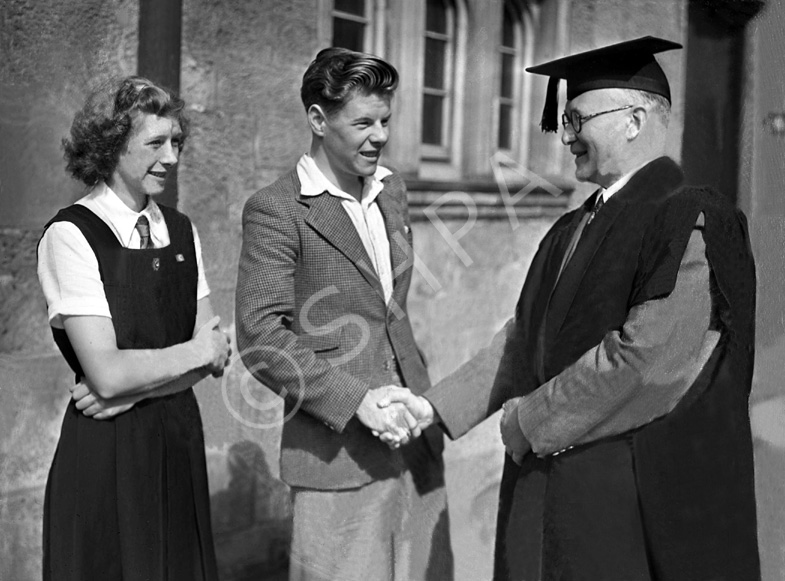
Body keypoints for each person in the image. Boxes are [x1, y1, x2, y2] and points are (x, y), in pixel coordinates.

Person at [381, 36, 760, 580]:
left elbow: (647, 362)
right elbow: (522, 341)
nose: (565, 136)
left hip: (622, 502)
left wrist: (529, 419)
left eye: (577, 119)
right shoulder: (570, 227)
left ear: (633, 119)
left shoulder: (692, 220)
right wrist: (433, 409)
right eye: (563, 119)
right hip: (540, 491)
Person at [235, 47, 453, 581]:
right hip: (337, 455)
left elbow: (387, 314)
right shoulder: (277, 209)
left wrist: (411, 403)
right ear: (317, 119)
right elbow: (261, 335)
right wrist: (358, 402)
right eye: (362, 123)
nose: (378, 135)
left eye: (385, 121)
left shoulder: (391, 190)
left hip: (413, 443)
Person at [37, 76, 232, 581]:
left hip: (178, 441)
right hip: (109, 449)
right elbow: (106, 374)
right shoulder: (72, 235)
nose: (171, 157)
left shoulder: (182, 229)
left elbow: (214, 354)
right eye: (155, 143)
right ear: (111, 145)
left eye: (176, 142)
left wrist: (133, 388)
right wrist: (188, 355)